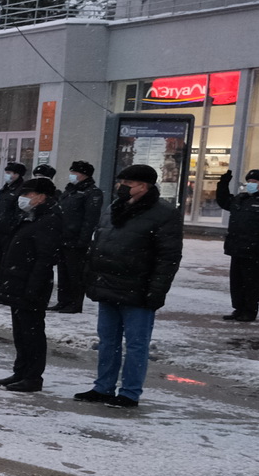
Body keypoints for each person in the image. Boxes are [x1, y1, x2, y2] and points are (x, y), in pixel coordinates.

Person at [75, 164, 183, 408]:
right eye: (120, 182)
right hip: (108, 284)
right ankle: (103, 387)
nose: (120, 187)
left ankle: (130, 392)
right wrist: (91, 276)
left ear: (143, 186)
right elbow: (100, 243)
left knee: (136, 344)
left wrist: (157, 290)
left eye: (127, 183)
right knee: (107, 341)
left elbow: (168, 257)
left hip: (139, 288)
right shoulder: (115, 207)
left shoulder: (164, 213)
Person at [0, 178, 61, 392]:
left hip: (31, 285)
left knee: (32, 332)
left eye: (28, 194)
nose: (23, 198)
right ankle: (21, 371)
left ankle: (32, 376)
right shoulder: (30, 217)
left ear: (41, 197)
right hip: (19, 281)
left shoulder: (49, 219)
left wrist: (33, 287)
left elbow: (45, 258)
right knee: (21, 331)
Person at [214, 168, 259, 321]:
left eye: (254, 182)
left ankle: (249, 310)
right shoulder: (243, 198)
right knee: (237, 281)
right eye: (249, 182)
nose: (250, 185)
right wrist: (223, 184)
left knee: (251, 282)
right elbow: (224, 201)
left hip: (255, 249)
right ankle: (238, 308)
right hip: (238, 246)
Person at [53, 160, 103, 312]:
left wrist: (83, 240)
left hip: (76, 240)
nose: (72, 175)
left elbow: (90, 218)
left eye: (75, 172)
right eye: (71, 172)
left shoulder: (92, 192)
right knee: (63, 272)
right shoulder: (70, 190)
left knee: (75, 274)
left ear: (84, 175)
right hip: (63, 237)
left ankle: (75, 303)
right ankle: (63, 301)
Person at [0, 162, 28, 305]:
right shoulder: (4, 189)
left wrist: (12, 229)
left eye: (10, 173)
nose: (7, 175)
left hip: (10, 233)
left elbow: (19, 213)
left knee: (7, 263)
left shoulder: (21, 190)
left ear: (17, 174)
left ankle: (6, 291)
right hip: (0, 232)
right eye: (7, 172)